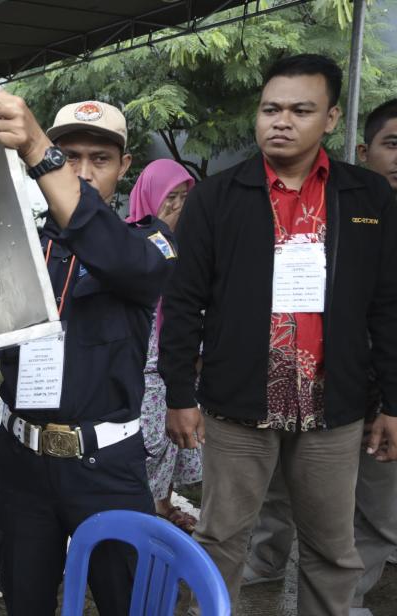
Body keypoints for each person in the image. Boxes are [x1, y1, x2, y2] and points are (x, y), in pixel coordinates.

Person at [159, 54, 397, 615]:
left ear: (332, 117)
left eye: (300, 109)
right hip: (238, 404)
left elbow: (386, 307)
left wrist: (391, 399)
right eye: (271, 109)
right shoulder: (218, 196)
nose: (281, 121)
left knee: (331, 548)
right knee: (220, 541)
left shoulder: (366, 197)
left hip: (332, 407)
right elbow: (183, 301)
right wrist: (178, 394)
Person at [0, 93, 177, 615]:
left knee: (125, 601)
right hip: (23, 463)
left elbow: (124, 264)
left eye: (98, 159)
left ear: (124, 167)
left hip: (105, 468)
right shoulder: (20, 246)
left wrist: (41, 149)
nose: (81, 172)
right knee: (25, 598)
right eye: (68, 155)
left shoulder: (150, 243)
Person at [243, 98, 397, 615]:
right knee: (280, 488)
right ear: (364, 149)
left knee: (375, 507)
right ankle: (264, 560)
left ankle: (343, 600)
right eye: (392, 143)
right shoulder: (332, 204)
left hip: (383, 395)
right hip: (313, 384)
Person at [127, 160, 200, 533]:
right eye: (170, 196)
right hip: (142, 362)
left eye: (184, 197)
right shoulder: (127, 241)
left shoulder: (188, 240)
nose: (177, 205)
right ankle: (144, 511)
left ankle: (163, 503)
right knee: (148, 443)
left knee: (173, 441)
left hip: (179, 357)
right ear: (150, 195)